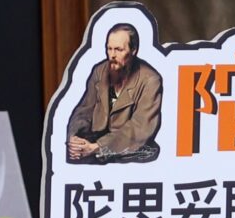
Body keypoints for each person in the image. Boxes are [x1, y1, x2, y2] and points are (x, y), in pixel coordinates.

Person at [64, 21, 162, 163]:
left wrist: (98, 147)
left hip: (130, 148)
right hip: (96, 140)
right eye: (109, 49)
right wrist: (74, 138)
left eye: (118, 50)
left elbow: (140, 128)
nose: (112, 55)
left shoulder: (150, 80)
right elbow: (84, 110)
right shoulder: (100, 71)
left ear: (133, 50)